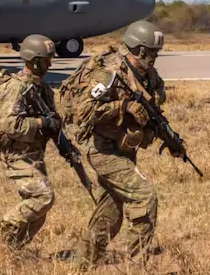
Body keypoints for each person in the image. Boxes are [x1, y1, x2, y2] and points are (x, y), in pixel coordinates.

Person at [70, 20, 178, 268]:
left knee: (110, 214)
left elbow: (152, 114)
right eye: (152, 52)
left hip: (125, 150)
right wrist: (124, 107)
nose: (155, 57)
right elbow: (83, 112)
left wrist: (169, 140)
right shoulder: (110, 74)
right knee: (145, 197)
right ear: (139, 50)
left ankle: (82, 266)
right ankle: (138, 266)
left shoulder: (148, 76)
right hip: (104, 150)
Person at [0, 34, 61, 249]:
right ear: (35, 60)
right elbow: (10, 126)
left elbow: (53, 119)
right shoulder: (16, 88)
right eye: (47, 60)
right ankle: (2, 228)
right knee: (43, 197)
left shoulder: (42, 88)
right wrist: (41, 123)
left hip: (34, 153)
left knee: (39, 214)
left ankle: (10, 250)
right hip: (16, 155)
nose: (50, 64)